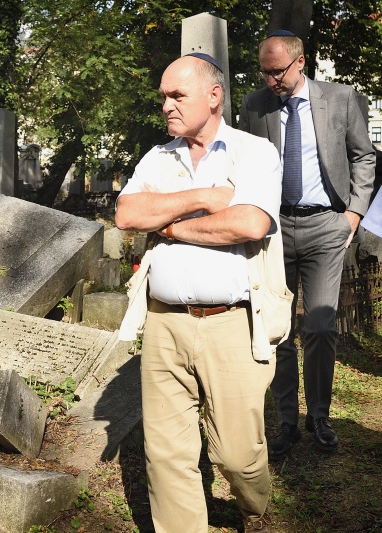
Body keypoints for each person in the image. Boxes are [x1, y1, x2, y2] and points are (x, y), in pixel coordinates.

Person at [115, 53, 282, 533]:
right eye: (163, 96)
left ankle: (255, 506)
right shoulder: (158, 156)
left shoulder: (254, 153)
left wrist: (167, 226)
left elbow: (248, 224)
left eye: (177, 95)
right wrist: (203, 199)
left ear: (214, 96)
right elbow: (127, 215)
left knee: (236, 455)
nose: (166, 105)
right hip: (164, 323)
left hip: (232, 324)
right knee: (166, 453)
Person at [238, 30, 376, 458]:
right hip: (274, 227)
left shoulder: (340, 98)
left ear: (300, 62)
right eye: (264, 71)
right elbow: (242, 162)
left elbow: (364, 155)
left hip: (326, 226)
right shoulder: (255, 105)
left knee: (319, 325)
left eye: (277, 71)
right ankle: (286, 420)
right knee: (277, 328)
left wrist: (354, 213)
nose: (271, 80)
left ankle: (319, 416)